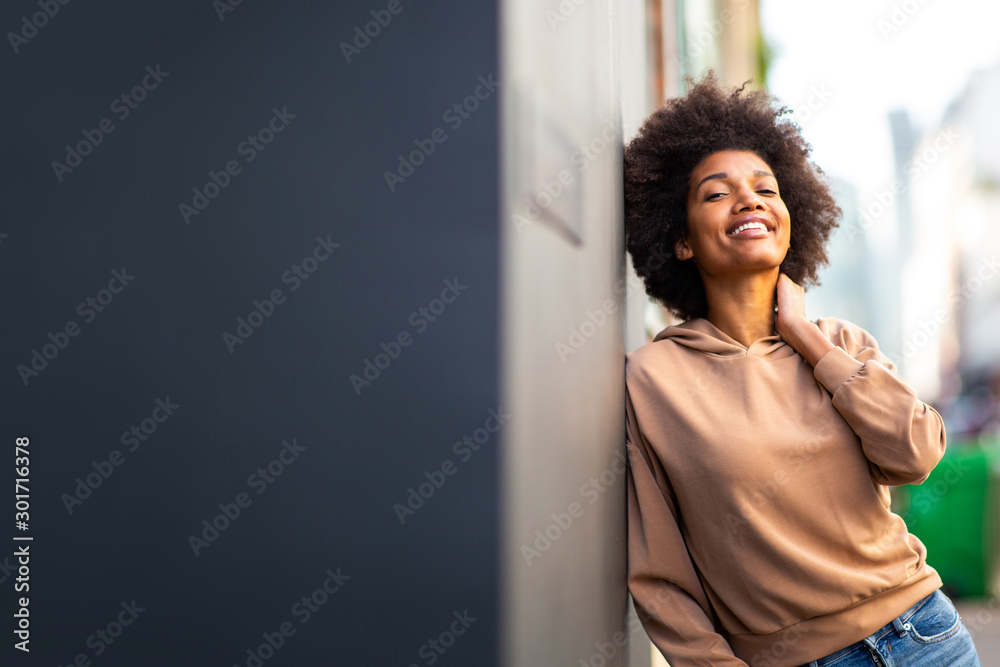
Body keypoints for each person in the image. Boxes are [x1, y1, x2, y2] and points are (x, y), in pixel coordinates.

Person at [622, 72, 983, 667]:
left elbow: (917, 455)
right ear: (681, 240)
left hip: (926, 637)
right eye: (716, 193)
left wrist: (809, 342)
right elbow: (658, 573)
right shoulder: (652, 379)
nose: (750, 201)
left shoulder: (841, 344)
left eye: (766, 188)